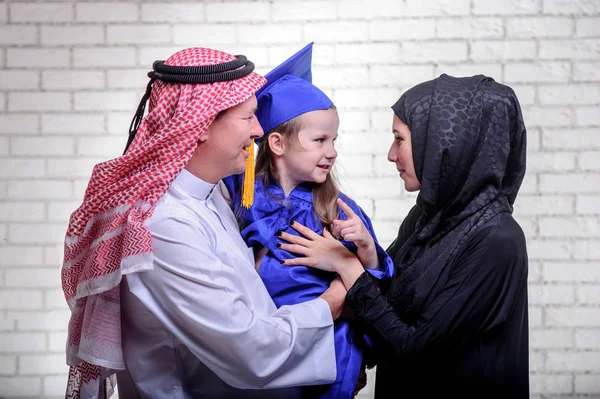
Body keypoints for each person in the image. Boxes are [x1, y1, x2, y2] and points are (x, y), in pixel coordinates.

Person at [60, 47, 348, 399]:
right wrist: (336, 299)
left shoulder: (209, 196)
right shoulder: (162, 226)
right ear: (199, 125)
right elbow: (250, 349)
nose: (258, 130)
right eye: (248, 117)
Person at [277, 74, 530, 398]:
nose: (391, 154)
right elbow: (388, 306)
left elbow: (413, 347)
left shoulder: (497, 241)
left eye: (400, 139)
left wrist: (347, 266)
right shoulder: (429, 219)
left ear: (443, 143)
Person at [223, 43, 394, 399]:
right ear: (277, 144)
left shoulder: (335, 208)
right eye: (319, 140)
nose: (331, 151)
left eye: (333, 140)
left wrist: (364, 248)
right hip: (265, 348)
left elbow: (378, 284)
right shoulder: (242, 195)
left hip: (330, 349)